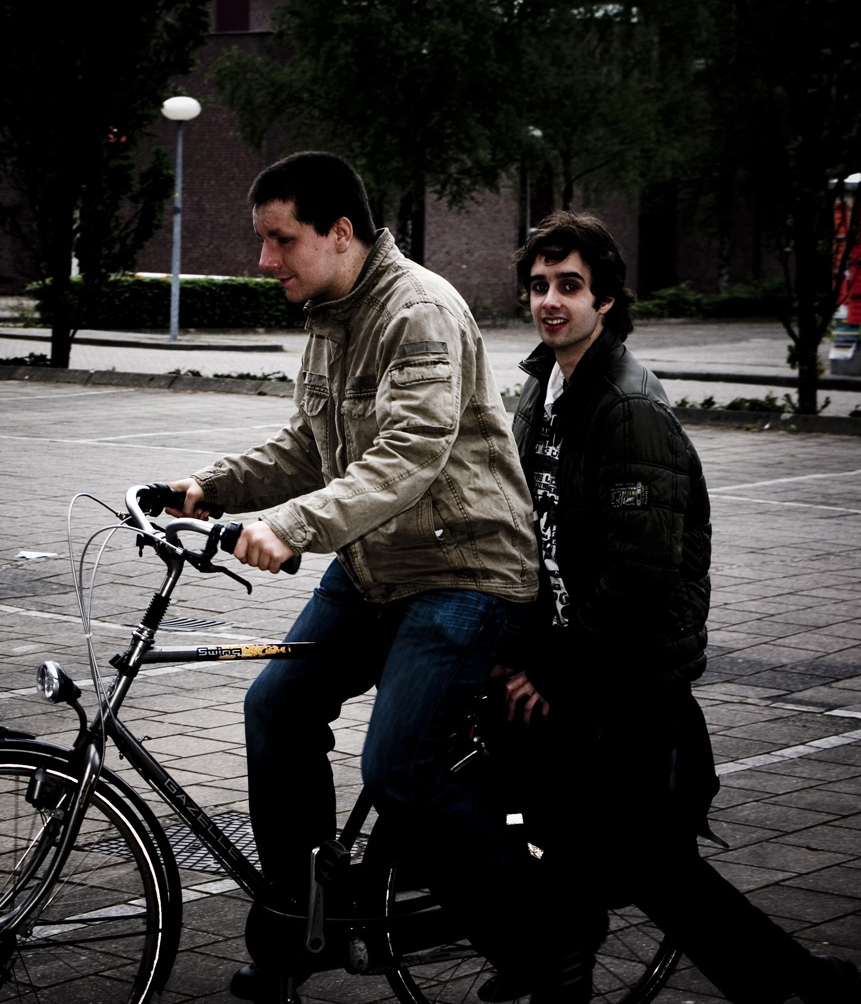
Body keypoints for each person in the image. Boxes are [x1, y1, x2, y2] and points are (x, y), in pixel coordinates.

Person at [166, 152, 575, 1001]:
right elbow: (307, 446)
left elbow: (406, 460)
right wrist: (208, 488)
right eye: (262, 240)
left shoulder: (417, 309)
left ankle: (544, 935)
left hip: (465, 570)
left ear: (340, 232)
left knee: (399, 767)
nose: (265, 259)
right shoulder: (330, 312)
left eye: (281, 239)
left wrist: (289, 526)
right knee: (275, 707)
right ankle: (300, 923)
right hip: (378, 566)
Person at [498, 209, 861, 1004]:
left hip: (626, 677)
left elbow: (639, 573)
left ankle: (810, 987)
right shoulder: (543, 390)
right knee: (549, 833)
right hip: (577, 660)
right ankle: (559, 967)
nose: (550, 301)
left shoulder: (628, 406)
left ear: (605, 299)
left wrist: (553, 669)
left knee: (652, 865)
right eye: (539, 285)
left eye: (569, 286)